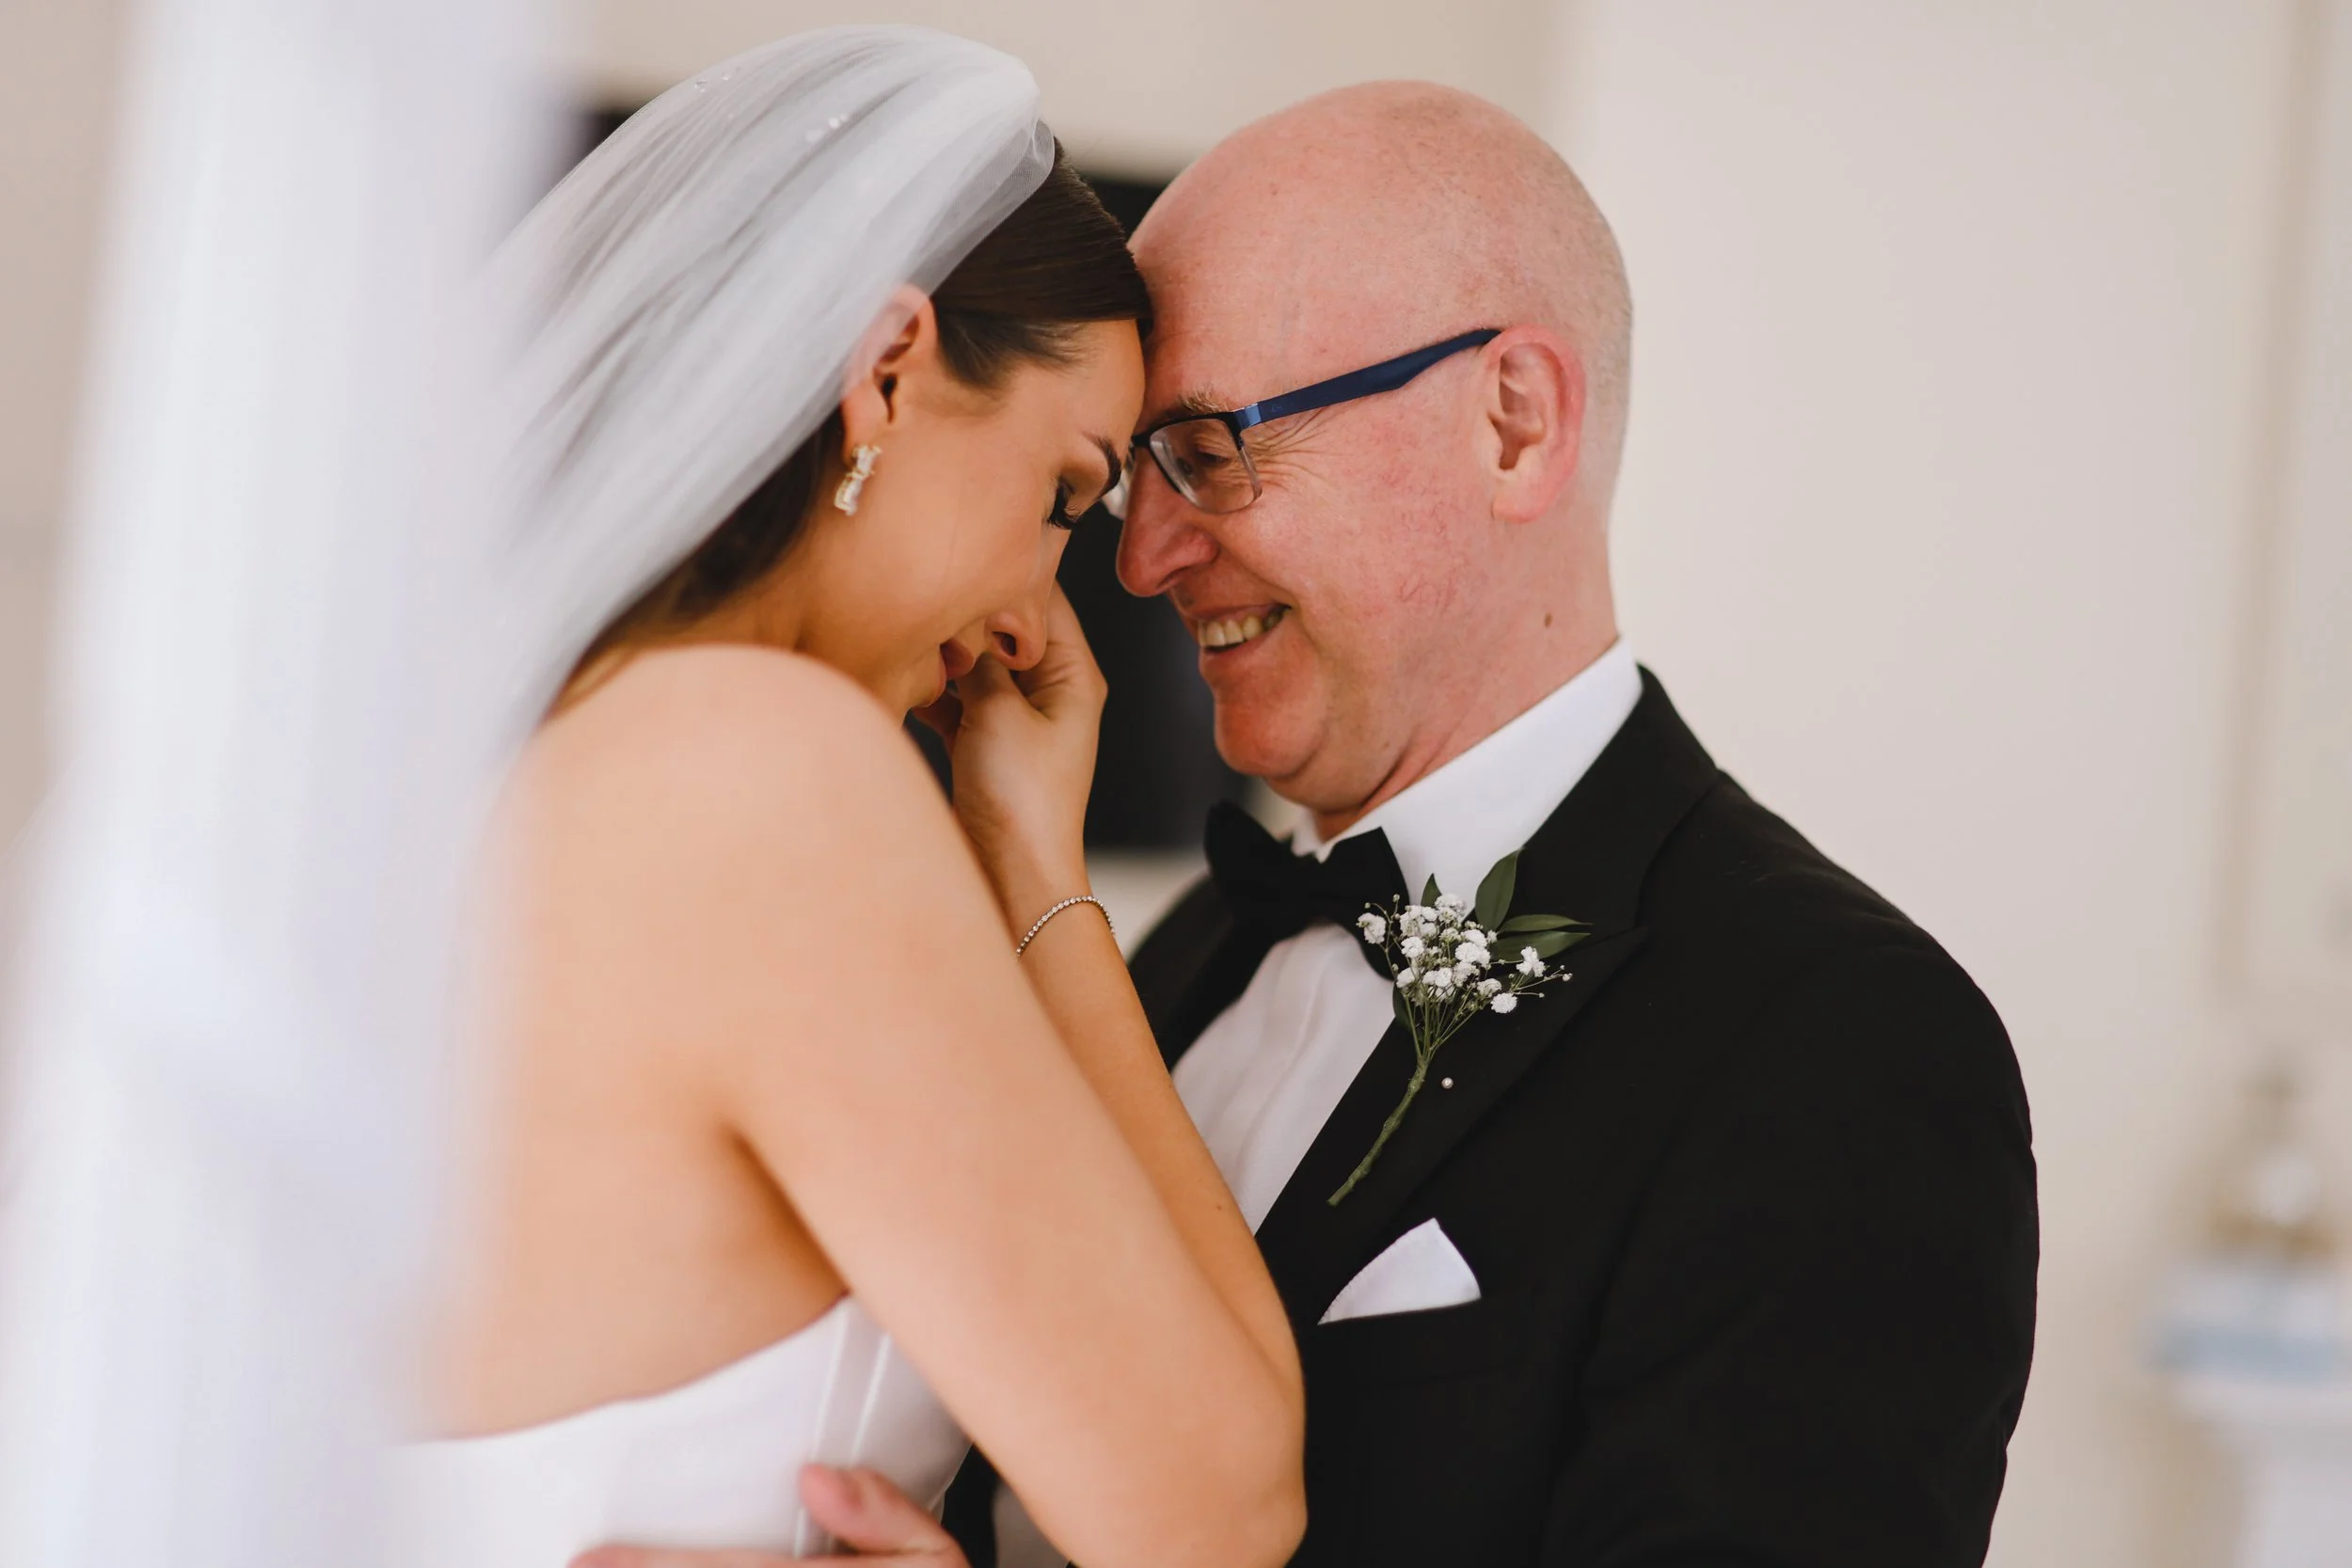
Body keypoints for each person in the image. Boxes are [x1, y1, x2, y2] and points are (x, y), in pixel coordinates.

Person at [600, 78, 2041, 1568]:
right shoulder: (1177, 950)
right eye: (1124, 480)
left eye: (1212, 448)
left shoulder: (1839, 1041)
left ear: (1514, 420)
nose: (1144, 563)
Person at [395, 28, 1305, 1568]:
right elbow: (1216, 1515)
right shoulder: (754, 769)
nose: (1038, 615)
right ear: (887, 372)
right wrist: (1034, 862)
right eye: (1064, 498)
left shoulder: (520, 771)